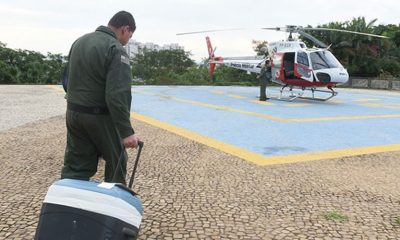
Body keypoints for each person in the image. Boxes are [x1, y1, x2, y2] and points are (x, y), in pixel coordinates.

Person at [61, 11, 139, 185]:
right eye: (130, 36)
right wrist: (126, 132)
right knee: (117, 159)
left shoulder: (79, 42)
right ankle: (112, 204)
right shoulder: (115, 49)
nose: (127, 41)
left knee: (76, 165)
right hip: (98, 116)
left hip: (73, 112)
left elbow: (66, 78)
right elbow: (117, 95)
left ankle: (68, 204)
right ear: (125, 29)